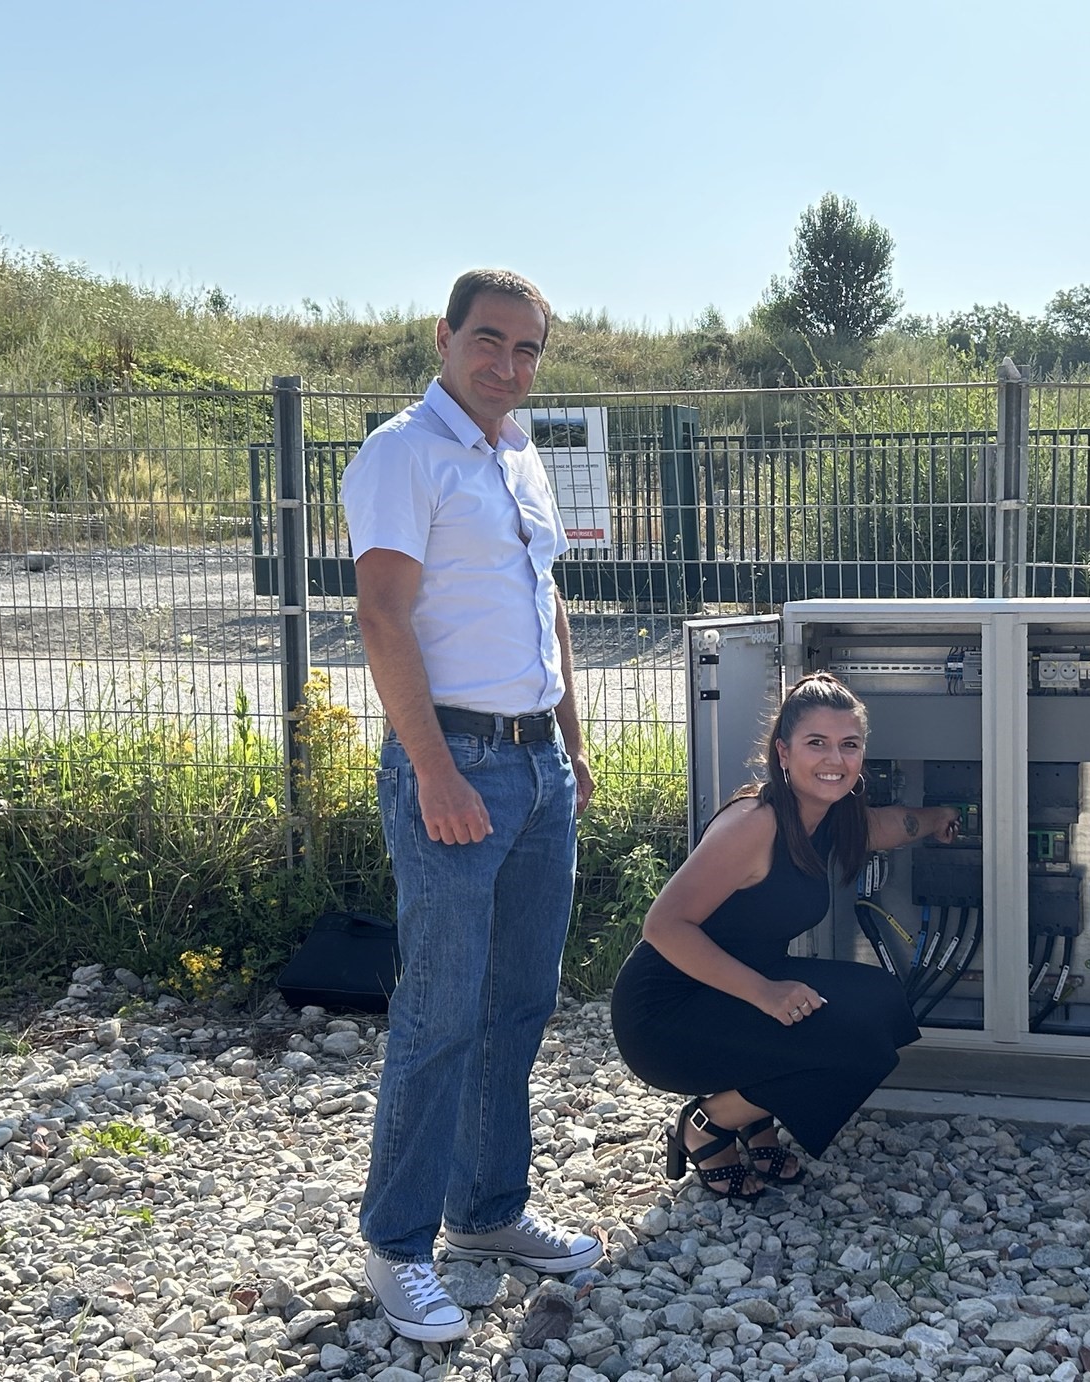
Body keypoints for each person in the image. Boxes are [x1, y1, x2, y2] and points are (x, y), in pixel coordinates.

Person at [338, 269, 602, 1343]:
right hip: (456, 765)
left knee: (520, 1003)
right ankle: (396, 1244)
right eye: (489, 342)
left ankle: (486, 1210)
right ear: (443, 338)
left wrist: (573, 744)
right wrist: (435, 768)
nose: (507, 365)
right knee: (440, 1014)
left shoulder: (520, 452)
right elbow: (381, 613)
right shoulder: (402, 453)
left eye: (527, 348)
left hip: (537, 769)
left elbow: (545, 602)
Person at [610, 673, 960, 1199]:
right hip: (666, 1013)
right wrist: (766, 993)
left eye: (849, 745)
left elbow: (888, 825)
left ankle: (756, 1117)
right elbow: (663, 925)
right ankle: (707, 1124)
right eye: (815, 743)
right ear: (783, 752)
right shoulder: (756, 822)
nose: (833, 760)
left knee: (881, 1002)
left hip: (730, 994)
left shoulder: (827, 818)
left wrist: (943, 818)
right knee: (852, 1042)